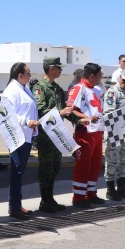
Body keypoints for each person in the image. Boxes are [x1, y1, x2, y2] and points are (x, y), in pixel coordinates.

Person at [33, 57, 74, 212]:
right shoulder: (39, 88)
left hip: (57, 133)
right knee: (46, 168)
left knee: (55, 167)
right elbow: (40, 110)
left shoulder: (57, 88)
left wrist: (79, 119)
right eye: (58, 67)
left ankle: (50, 199)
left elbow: (64, 109)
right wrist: (60, 112)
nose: (60, 70)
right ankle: (45, 200)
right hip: (46, 135)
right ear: (51, 69)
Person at [1, 62, 38, 218]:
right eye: (28, 73)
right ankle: (14, 207)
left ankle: (17, 204)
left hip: (27, 135)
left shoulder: (25, 88)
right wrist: (26, 122)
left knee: (20, 171)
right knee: (16, 171)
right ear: (20, 75)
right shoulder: (11, 91)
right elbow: (8, 114)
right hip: (17, 136)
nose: (30, 76)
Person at [67, 63, 106, 207]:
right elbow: (71, 110)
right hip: (84, 132)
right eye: (99, 75)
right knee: (83, 164)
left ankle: (91, 193)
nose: (101, 78)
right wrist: (87, 118)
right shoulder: (77, 88)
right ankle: (78, 197)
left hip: (97, 132)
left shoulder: (96, 90)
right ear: (91, 76)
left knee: (95, 165)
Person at [103, 68, 125, 200]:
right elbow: (108, 113)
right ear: (120, 78)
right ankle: (110, 189)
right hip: (115, 132)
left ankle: (121, 187)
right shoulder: (112, 92)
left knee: (124, 160)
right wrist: (124, 124)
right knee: (112, 160)